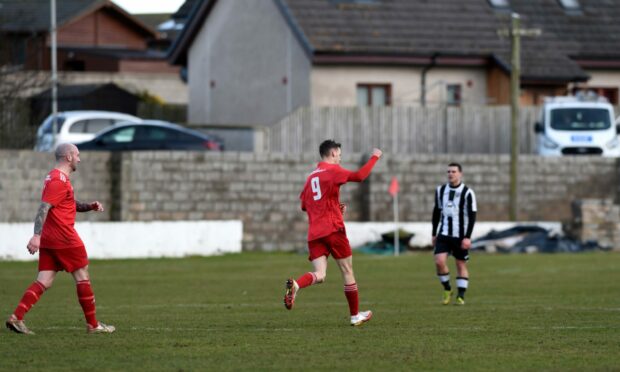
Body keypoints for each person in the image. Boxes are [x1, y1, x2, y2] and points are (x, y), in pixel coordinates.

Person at [5, 143, 115, 334]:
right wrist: (35, 236)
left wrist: (90, 206)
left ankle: (16, 318)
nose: (79, 159)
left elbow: (68, 204)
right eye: (77, 155)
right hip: (64, 237)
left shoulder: (58, 178)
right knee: (82, 275)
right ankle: (93, 324)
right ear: (69, 157)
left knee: (44, 280)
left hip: (51, 239)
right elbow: (43, 208)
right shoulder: (58, 180)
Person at [284, 139, 382, 326]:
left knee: (320, 274)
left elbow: (305, 205)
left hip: (314, 233)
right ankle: (355, 316)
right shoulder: (333, 170)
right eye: (339, 154)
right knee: (347, 271)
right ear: (333, 153)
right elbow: (360, 176)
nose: (340, 157)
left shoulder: (311, 177)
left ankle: (296, 285)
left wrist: (335, 207)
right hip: (333, 230)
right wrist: (375, 157)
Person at [431, 163, 477, 305]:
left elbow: (472, 215)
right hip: (443, 233)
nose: (451, 174)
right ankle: (447, 289)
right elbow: (436, 212)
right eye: (449, 171)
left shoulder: (468, 192)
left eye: (454, 171)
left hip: (460, 235)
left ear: (460, 174)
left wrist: (468, 237)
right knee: (439, 261)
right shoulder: (440, 191)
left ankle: (461, 296)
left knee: (460, 264)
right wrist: (434, 233)